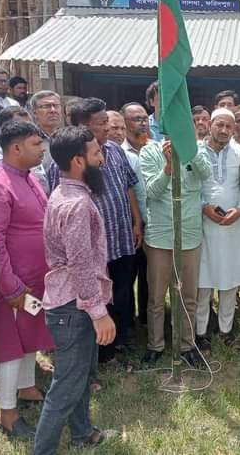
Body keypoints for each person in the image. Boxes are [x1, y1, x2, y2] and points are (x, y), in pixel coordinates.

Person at [33, 126, 115, 455]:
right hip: (74, 307)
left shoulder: (66, 193)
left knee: (78, 377)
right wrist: (98, 314)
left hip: (69, 303)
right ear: (79, 161)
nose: (103, 159)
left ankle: (83, 434)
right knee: (66, 386)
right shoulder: (77, 205)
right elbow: (81, 264)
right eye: (97, 154)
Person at [0, 121, 54, 438]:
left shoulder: (30, 178)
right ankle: (7, 412)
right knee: (10, 344)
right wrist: (10, 287)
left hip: (36, 282)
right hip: (13, 286)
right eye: (36, 144)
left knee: (28, 336)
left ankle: (27, 388)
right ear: (16, 148)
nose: (42, 149)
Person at [49, 98, 141, 362]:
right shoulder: (67, 167)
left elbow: (129, 186)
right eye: (101, 124)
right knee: (98, 296)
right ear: (81, 126)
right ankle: (101, 351)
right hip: (92, 250)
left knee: (122, 292)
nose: (108, 128)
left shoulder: (115, 150)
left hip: (121, 237)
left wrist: (136, 221)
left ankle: (122, 339)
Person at [139, 128, 211, 367]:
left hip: (189, 236)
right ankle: (155, 345)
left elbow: (206, 173)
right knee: (156, 297)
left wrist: (189, 152)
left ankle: (187, 345)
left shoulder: (198, 149)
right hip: (160, 237)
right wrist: (168, 169)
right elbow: (151, 191)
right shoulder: (149, 152)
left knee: (187, 296)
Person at [196, 109, 240, 351]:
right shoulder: (195, 152)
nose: (225, 130)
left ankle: (226, 329)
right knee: (203, 282)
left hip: (232, 227)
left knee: (229, 282)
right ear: (210, 125)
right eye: (220, 125)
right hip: (204, 226)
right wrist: (203, 206)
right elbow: (190, 185)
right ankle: (200, 331)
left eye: (229, 126)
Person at [120, 102, 151, 324]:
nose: (142, 122)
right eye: (136, 119)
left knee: (150, 276)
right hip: (130, 225)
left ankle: (148, 320)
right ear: (124, 123)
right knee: (128, 276)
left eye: (144, 118)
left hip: (156, 222)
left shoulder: (157, 147)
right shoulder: (117, 152)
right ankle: (128, 322)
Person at [0, 106, 48, 192]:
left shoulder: (32, 155)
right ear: (6, 130)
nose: (31, 131)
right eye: (23, 127)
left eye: (31, 125)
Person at [30, 90, 63, 176]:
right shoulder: (29, 140)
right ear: (34, 113)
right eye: (47, 106)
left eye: (56, 106)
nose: (53, 110)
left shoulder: (68, 137)